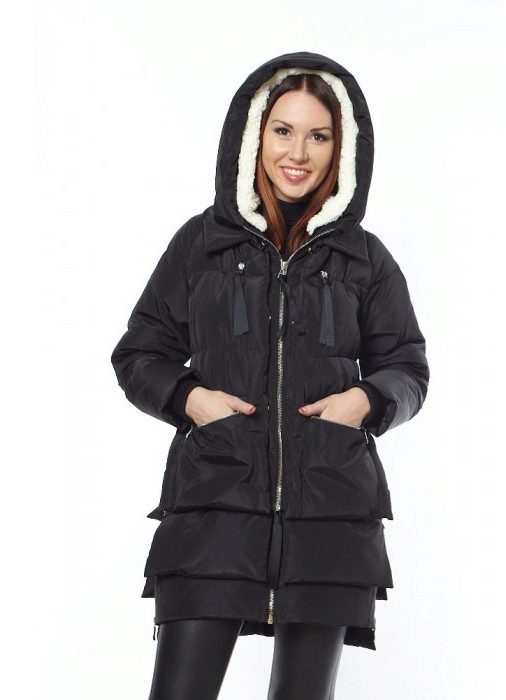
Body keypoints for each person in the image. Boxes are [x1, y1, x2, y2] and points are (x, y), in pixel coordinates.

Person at [111, 51, 430, 699]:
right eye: (283, 130)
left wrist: (365, 400)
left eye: (319, 135)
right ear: (253, 135)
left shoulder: (365, 259)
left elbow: (406, 366)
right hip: (214, 506)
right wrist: (191, 398)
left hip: (329, 515)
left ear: (343, 149)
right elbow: (140, 352)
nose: (298, 153)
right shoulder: (202, 244)